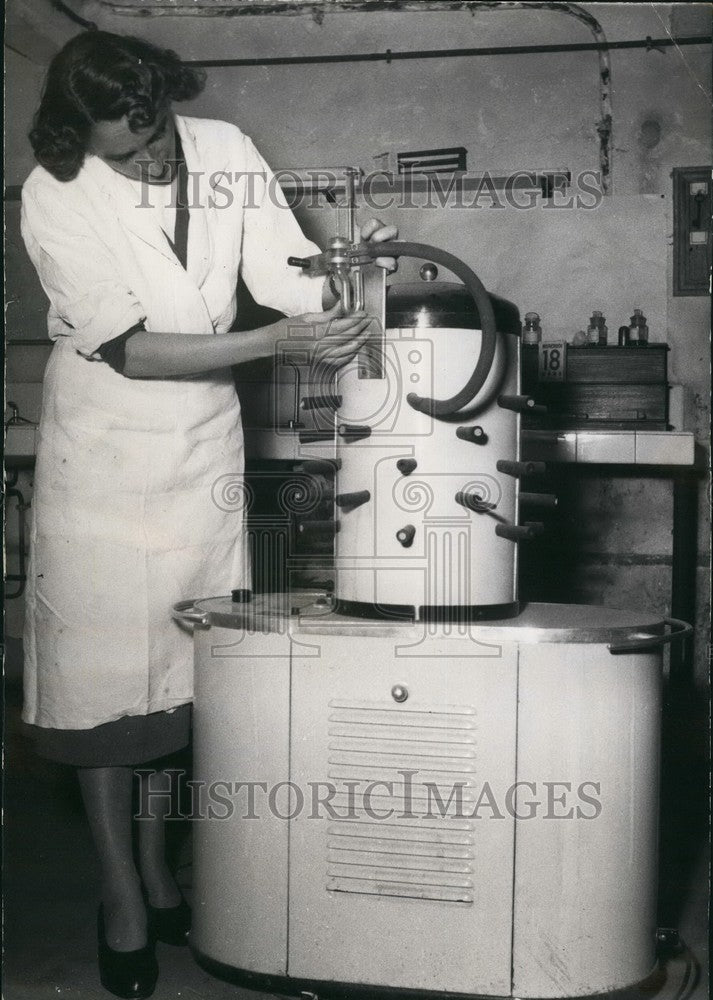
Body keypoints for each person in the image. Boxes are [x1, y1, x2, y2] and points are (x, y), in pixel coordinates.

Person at [20, 30, 396, 999]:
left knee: (183, 678)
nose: (145, 164)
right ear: (79, 136)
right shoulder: (52, 191)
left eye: (151, 143)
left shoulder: (224, 152)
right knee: (105, 692)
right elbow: (128, 349)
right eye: (121, 154)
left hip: (198, 454)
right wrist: (276, 339)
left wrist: (340, 291)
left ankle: (156, 864)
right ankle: (120, 895)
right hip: (103, 453)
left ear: (163, 104)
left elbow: (280, 272)